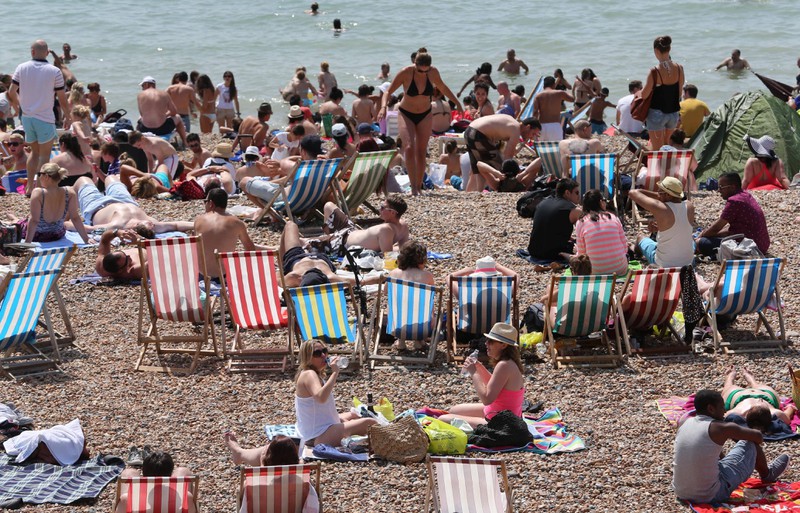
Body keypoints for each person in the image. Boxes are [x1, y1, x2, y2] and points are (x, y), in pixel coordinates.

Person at [672, 389, 789, 504]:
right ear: (711, 409)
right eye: (722, 407)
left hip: (681, 492)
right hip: (711, 495)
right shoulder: (721, 427)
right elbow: (757, 437)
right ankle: (767, 474)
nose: (724, 411)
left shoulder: (684, 422)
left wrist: (727, 461)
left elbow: (709, 450)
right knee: (749, 443)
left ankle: (758, 473)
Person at [379, 50, 462, 196]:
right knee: (409, 147)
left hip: (425, 114)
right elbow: (388, 91)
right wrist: (383, 107)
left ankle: (419, 186)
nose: (423, 73)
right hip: (406, 113)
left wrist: (457, 103)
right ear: (415, 65)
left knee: (421, 151)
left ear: (429, 67)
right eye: (419, 70)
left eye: (426, 71)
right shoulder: (406, 72)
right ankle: (413, 187)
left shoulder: (433, 72)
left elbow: (443, 87)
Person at [8, 39, 69, 195]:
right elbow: (62, 98)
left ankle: (29, 187)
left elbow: (11, 92)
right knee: (44, 155)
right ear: (47, 53)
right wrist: (68, 116)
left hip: (27, 118)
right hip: (45, 118)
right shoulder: (54, 71)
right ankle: (41, 188)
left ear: (32, 52)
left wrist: (19, 106)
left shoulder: (21, 67)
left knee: (34, 153)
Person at [439, 323, 525, 429]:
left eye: (491, 341)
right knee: (453, 411)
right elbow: (493, 386)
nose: (486, 343)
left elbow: (487, 399)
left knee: (443, 419)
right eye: (487, 340)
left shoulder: (504, 365)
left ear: (504, 345)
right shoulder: (508, 363)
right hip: (498, 413)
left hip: (504, 424)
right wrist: (479, 367)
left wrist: (474, 372)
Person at [71, 173, 191, 234]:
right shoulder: (155, 226)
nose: (151, 223)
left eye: (149, 225)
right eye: (151, 225)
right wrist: (195, 224)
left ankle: (65, 201)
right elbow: (176, 224)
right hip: (124, 200)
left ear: (136, 227)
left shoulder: (116, 225)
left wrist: (66, 223)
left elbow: (88, 228)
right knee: (111, 177)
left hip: (96, 206)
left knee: (83, 180)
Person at [11, 163, 89, 244]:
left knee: (22, 222)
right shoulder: (69, 192)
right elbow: (75, 218)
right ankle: (15, 218)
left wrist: (27, 243)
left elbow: (34, 220)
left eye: (39, 174)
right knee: (27, 217)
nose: (38, 177)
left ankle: (15, 219)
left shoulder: (38, 193)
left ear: (46, 176)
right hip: (57, 234)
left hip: (38, 236)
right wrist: (86, 239)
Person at [696, 172, 770, 259]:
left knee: (699, 243)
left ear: (732, 187)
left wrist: (702, 235)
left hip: (748, 248)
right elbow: (732, 229)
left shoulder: (734, 201)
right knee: (710, 237)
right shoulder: (746, 195)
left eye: (721, 187)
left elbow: (716, 228)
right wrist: (711, 234)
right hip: (762, 245)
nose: (718, 190)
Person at [463, 115, 540, 191]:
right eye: (533, 134)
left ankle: (469, 193)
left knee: (476, 169)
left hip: (469, 130)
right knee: (495, 165)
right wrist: (514, 175)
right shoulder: (515, 130)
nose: (532, 137)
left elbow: (511, 151)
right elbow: (508, 157)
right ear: (528, 127)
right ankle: (479, 192)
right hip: (479, 134)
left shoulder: (512, 123)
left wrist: (521, 145)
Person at [631, 176, 695, 268]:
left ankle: (636, 253)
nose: (658, 194)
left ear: (668, 195)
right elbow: (679, 225)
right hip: (688, 264)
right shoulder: (689, 206)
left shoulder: (661, 208)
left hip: (664, 264)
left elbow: (633, 192)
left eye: (660, 192)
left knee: (640, 238)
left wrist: (658, 195)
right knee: (690, 241)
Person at [193, 189, 257, 279]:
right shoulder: (237, 223)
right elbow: (250, 249)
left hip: (202, 276)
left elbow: (194, 248)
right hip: (225, 278)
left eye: (205, 201)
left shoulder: (199, 221)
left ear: (211, 203)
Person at [315, 195, 410, 255]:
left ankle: (329, 238)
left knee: (304, 243)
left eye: (382, 207)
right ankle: (328, 236)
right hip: (350, 229)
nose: (379, 209)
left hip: (341, 243)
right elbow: (403, 249)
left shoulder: (386, 229)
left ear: (392, 213)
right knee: (328, 206)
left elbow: (388, 257)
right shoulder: (403, 226)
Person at [115, 451, 196, 513]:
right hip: (173, 503)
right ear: (170, 475)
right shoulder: (185, 497)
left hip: (138, 502)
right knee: (183, 471)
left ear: (144, 474)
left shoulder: (128, 499)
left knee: (129, 472)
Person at [641, 35, 684, 151]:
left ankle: (659, 169)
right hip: (673, 114)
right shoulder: (679, 68)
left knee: (657, 150)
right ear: (669, 49)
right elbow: (680, 93)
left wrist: (638, 94)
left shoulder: (654, 71)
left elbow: (644, 95)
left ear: (655, 51)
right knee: (667, 147)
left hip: (656, 114)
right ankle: (668, 168)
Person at [574, 189, 628, 276]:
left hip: (594, 271)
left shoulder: (581, 222)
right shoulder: (613, 218)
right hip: (619, 269)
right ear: (600, 202)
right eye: (604, 200)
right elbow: (624, 246)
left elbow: (581, 253)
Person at [527, 178, 582, 261]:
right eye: (576, 193)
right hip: (553, 254)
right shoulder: (574, 210)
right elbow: (585, 233)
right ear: (567, 193)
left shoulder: (543, 203)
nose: (579, 196)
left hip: (534, 250)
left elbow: (548, 226)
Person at [722, 366, 796, 427]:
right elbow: (787, 414)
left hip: (737, 397)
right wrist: (790, 407)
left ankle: (730, 377)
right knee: (757, 385)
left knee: (728, 386)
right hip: (766, 395)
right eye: (761, 402)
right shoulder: (776, 413)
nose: (759, 400)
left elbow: (719, 417)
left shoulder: (736, 413)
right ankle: (751, 380)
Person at [137, 76, 188, 147]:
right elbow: (174, 111)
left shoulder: (140, 95)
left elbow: (142, 114)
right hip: (163, 129)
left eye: (143, 85)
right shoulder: (164, 94)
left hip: (145, 129)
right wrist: (165, 115)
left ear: (147, 84)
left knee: (139, 118)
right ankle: (185, 142)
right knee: (178, 117)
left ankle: (137, 142)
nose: (142, 88)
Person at [533, 76, 574, 141]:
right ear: (554, 85)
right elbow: (572, 99)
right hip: (555, 126)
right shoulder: (559, 93)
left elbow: (535, 113)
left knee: (542, 148)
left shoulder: (538, 96)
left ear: (544, 86)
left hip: (542, 126)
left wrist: (535, 128)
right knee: (556, 148)